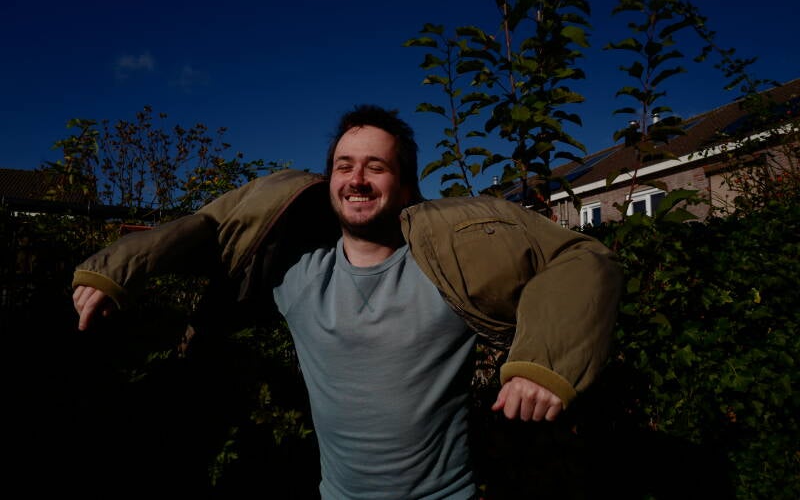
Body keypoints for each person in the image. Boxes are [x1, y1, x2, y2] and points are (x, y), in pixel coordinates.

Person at [72, 105, 622, 499]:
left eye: (376, 167)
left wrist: (544, 363)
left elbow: (580, 258)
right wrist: (115, 271)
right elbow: (209, 233)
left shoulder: (453, 270)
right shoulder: (294, 273)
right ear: (329, 179)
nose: (357, 179)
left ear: (406, 188)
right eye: (344, 165)